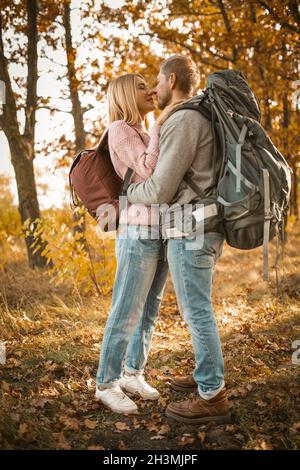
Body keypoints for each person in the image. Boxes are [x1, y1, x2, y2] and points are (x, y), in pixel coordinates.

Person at [127, 55, 231, 424]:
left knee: (196, 311)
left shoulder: (185, 119)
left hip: (191, 230)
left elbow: (159, 189)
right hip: (197, 228)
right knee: (197, 309)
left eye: (157, 80)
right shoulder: (194, 116)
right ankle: (207, 376)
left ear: (172, 79)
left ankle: (212, 394)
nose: (153, 88)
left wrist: (127, 192)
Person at [95, 73, 176, 415]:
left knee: (148, 309)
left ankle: (132, 373)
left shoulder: (143, 131)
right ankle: (106, 383)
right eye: (141, 86)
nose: (150, 90)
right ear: (127, 94)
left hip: (160, 230)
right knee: (126, 308)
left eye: (149, 84)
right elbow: (148, 168)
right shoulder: (120, 130)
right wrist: (160, 126)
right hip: (136, 230)